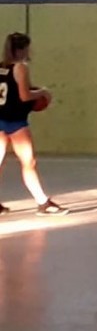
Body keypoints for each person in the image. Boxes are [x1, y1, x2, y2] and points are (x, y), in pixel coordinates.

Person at [0, 33, 69, 216]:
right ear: (23, 49)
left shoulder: (1, 67)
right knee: (28, 163)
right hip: (15, 121)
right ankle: (43, 203)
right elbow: (24, 96)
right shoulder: (20, 67)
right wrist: (42, 93)